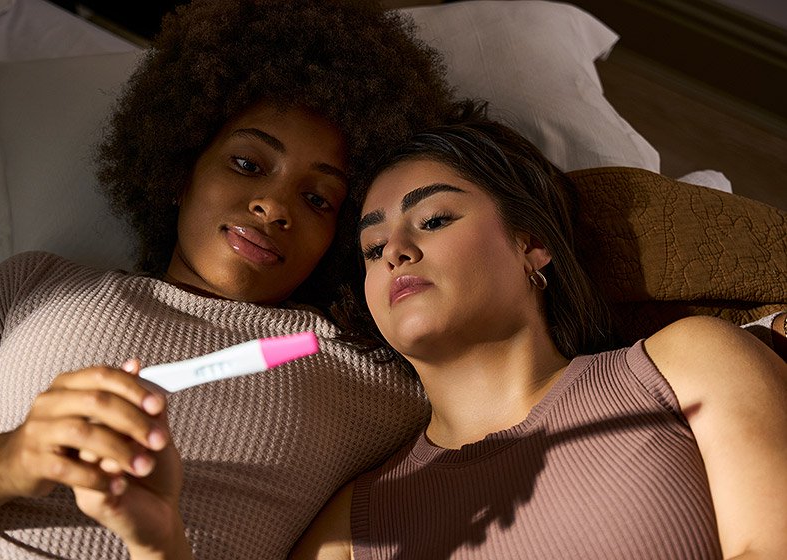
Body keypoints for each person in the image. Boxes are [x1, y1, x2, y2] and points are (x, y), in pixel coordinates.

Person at [0, 1, 483, 558]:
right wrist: (12, 460)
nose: (275, 206)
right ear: (181, 167)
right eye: (249, 163)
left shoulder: (381, 385)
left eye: (318, 201)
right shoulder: (35, 285)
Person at [289, 120, 787, 559]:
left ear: (530, 243)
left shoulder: (687, 363)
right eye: (372, 249)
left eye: (435, 220)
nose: (395, 251)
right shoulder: (352, 531)